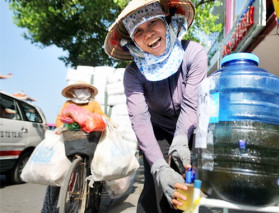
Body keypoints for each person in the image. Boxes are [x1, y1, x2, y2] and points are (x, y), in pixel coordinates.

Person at [104, 0, 208, 212]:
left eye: (153, 22)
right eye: (138, 31)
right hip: (158, 131)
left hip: (193, 126)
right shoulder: (132, 74)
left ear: (168, 22)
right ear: (133, 41)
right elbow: (140, 119)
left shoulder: (194, 53)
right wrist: (160, 167)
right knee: (156, 188)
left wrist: (181, 140)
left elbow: (191, 104)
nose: (148, 33)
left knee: (194, 183)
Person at [41, 80, 109, 213]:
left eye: (84, 88)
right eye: (78, 88)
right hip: (70, 140)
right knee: (57, 173)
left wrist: (107, 123)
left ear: (89, 91)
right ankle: (48, 209)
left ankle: (89, 206)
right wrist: (63, 126)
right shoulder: (68, 103)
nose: (81, 90)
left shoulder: (93, 104)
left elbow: (102, 117)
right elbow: (60, 119)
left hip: (89, 141)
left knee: (94, 173)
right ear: (73, 91)